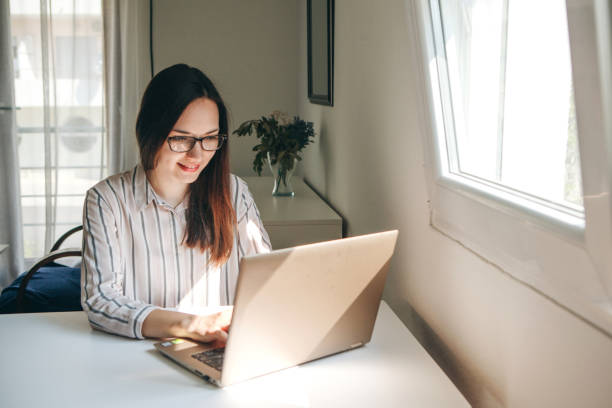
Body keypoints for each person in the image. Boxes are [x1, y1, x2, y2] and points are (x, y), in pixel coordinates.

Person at [81, 63, 271, 344]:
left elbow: (267, 278)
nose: (197, 154)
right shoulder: (107, 199)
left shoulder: (234, 192)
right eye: (181, 139)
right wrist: (190, 325)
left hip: (222, 349)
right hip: (137, 356)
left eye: (209, 138)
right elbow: (101, 300)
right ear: (151, 132)